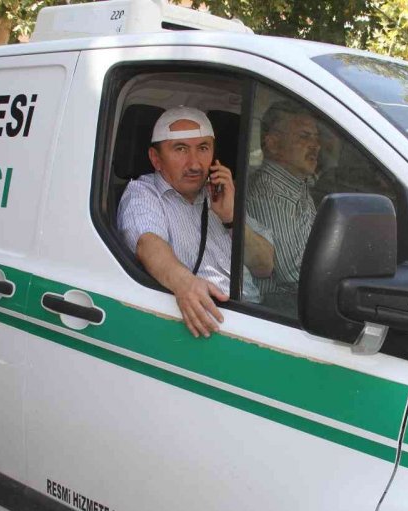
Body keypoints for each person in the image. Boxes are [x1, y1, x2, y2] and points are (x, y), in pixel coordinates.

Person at [118, 106, 274, 338]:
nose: (194, 164)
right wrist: (184, 284)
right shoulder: (143, 193)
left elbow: (264, 267)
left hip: (255, 315)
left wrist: (232, 219)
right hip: (210, 322)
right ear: (156, 159)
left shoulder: (220, 193)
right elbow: (148, 244)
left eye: (203, 148)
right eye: (180, 149)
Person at [245, 101, 320, 313]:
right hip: (279, 309)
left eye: (316, 138)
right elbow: (293, 274)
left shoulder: (297, 185)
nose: (315, 146)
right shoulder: (269, 193)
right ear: (273, 144)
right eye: (304, 137)